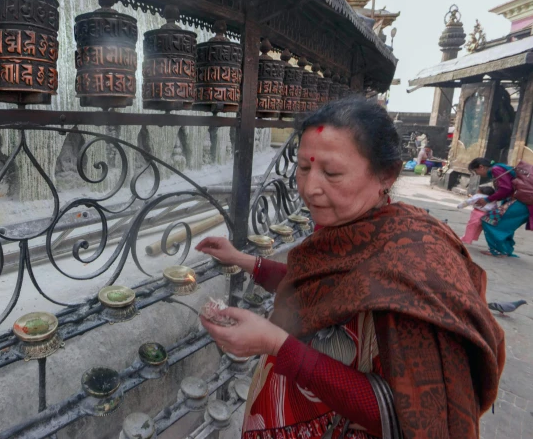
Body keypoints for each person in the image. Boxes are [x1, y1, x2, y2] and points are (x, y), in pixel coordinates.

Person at [196, 98, 504, 439]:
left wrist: (278, 346)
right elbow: (327, 289)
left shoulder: (415, 267)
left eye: (332, 173)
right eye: (303, 168)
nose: (310, 188)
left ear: (386, 174)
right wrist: (242, 260)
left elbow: (415, 418)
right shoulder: (351, 233)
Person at [468, 157, 533, 257]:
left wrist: (487, 200)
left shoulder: (496, 170)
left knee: (489, 220)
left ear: (481, 167)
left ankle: (497, 250)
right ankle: (506, 250)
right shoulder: (501, 168)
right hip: (525, 203)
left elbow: (505, 189)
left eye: (476, 171)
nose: (478, 174)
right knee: (507, 225)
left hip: (521, 202)